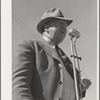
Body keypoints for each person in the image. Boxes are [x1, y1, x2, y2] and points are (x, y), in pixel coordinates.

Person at [12, 8, 92, 100]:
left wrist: (79, 87)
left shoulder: (65, 58)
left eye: (65, 25)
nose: (64, 28)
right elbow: (19, 85)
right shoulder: (30, 46)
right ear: (46, 28)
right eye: (60, 23)